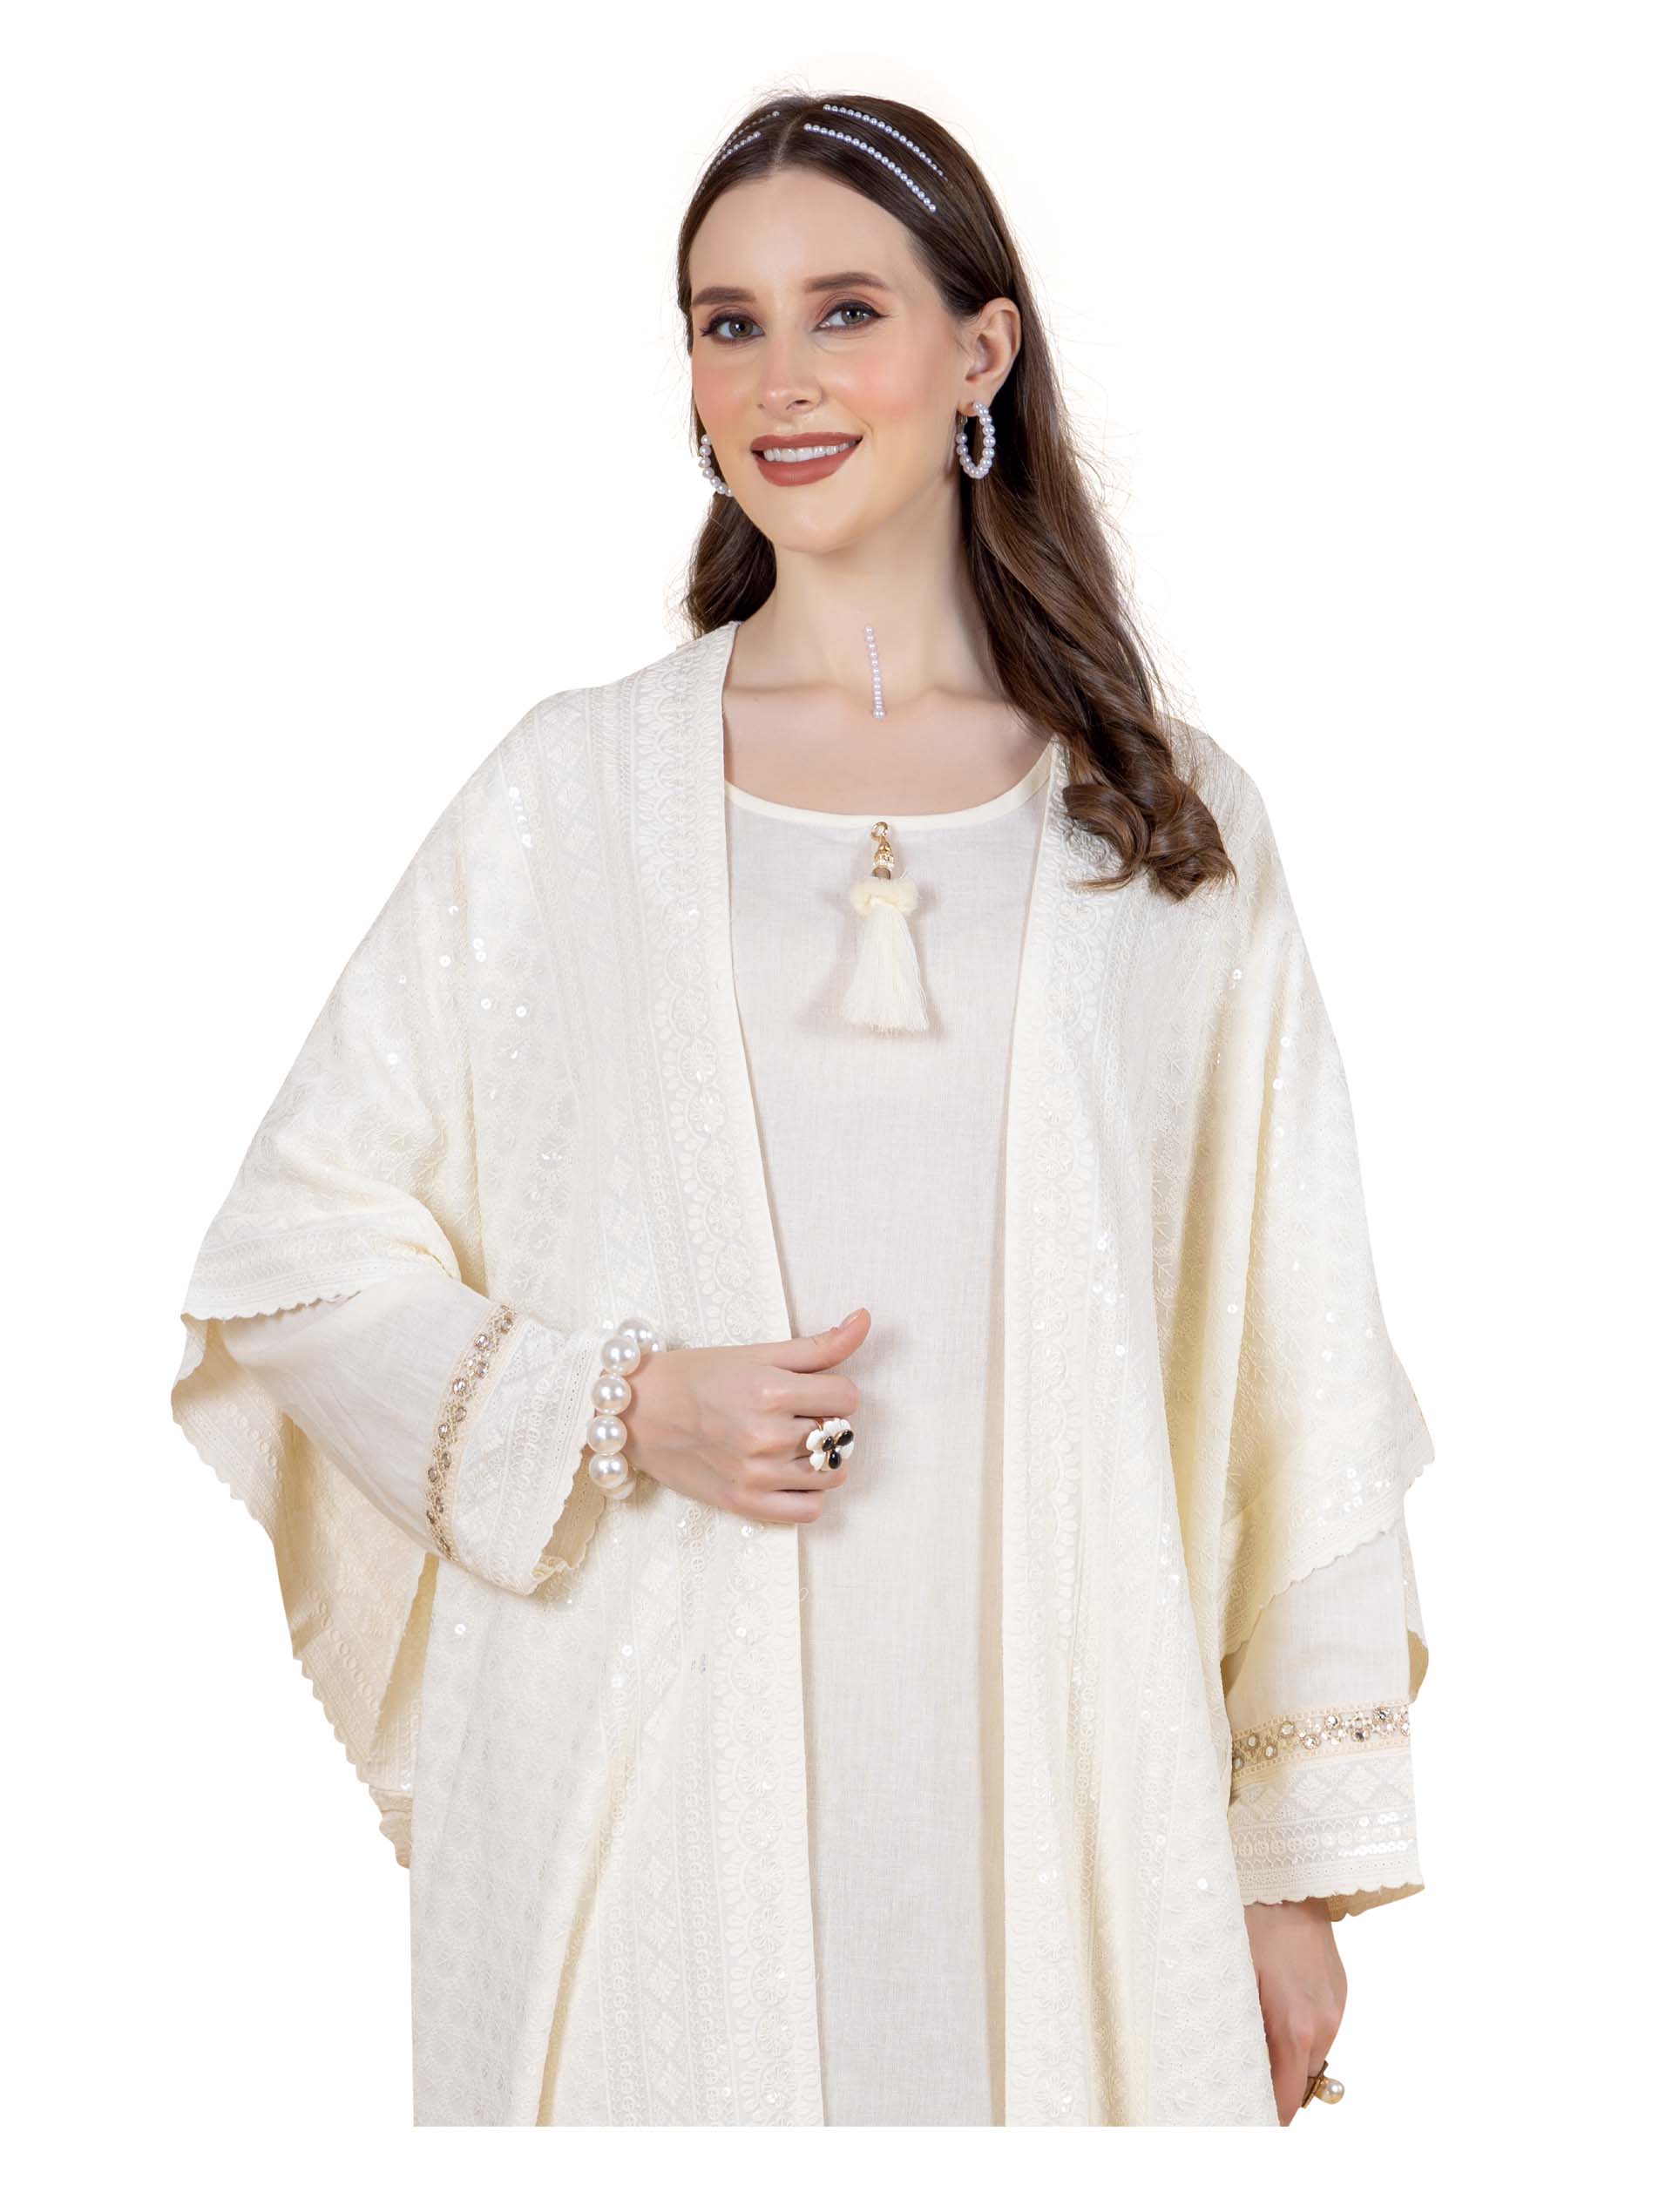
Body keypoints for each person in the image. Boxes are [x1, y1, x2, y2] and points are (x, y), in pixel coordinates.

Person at [168, 91, 1435, 2127]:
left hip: (1067, 1787)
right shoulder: (569, 800)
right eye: (725, 323)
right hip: (644, 1774)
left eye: (845, 310)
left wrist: (1290, 1876)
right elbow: (293, 1260)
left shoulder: (1165, 827)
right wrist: (623, 1405)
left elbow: (1294, 1343)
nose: (779, 379)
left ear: (980, 352)